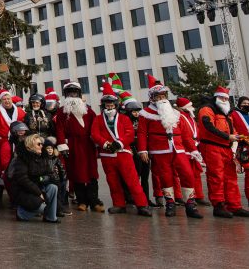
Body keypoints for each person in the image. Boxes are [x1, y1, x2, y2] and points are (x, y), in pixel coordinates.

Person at [136, 76, 201, 218]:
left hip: (178, 148)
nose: (161, 99)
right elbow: (141, 133)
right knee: (165, 177)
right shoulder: (145, 113)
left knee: (187, 174)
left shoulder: (176, 113)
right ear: (152, 98)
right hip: (160, 150)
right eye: (158, 96)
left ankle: (190, 204)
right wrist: (143, 150)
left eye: (163, 95)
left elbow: (185, 135)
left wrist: (193, 150)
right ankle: (170, 203)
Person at [90, 83, 151, 216]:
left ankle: (142, 204)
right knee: (113, 182)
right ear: (104, 105)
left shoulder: (124, 118)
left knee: (132, 180)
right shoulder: (98, 119)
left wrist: (119, 143)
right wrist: (105, 144)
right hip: (107, 156)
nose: (109, 106)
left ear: (116, 104)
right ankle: (119, 204)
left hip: (123, 154)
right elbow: (94, 134)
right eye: (107, 104)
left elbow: (129, 133)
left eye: (111, 104)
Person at [197, 86, 249, 218]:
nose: (224, 99)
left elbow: (230, 129)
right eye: (222, 97)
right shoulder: (207, 110)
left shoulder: (226, 113)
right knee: (216, 177)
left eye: (226, 98)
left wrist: (238, 137)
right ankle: (218, 205)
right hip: (212, 147)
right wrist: (228, 137)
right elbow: (208, 127)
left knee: (231, 177)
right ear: (216, 97)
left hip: (225, 148)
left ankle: (234, 205)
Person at [54, 81, 103, 212]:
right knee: (77, 172)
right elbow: (59, 130)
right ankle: (81, 201)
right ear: (66, 95)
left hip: (88, 145)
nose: (72, 95)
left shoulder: (89, 111)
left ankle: (94, 201)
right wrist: (62, 146)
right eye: (70, 93)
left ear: (79, 94)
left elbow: (96, 128)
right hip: (73, 145)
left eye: (75, 93)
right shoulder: (61, 112)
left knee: (92, 172)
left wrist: (98, 142)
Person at [7, 133, 59, 224]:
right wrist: (39, 192)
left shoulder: (43, 157)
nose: (41, 146)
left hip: (38, 186)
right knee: (41, 207)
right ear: (30, 146)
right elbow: (22, 179)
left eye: (42, 144)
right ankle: (22, 214)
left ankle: (50, 217)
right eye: (39, 144)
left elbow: (50, 175)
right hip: (24, 191)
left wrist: (41, 179)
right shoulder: (22, 159)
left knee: (53, 187)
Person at [176, 97, 209, 206]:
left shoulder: (190, 117)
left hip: (194, 147)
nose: (192, 108)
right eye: (189, 106)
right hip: (185, 150)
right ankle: (189, 197)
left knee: (196, 174)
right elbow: (184, 135)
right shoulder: (180, 117)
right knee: (186, 174)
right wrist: (192, 148)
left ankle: (199, 195)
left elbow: (196, 132)